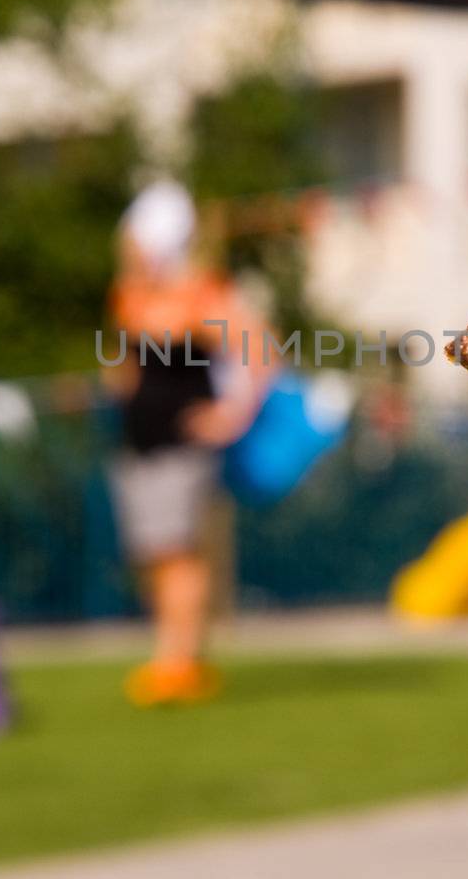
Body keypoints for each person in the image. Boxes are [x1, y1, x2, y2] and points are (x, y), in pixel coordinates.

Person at [105, 180, 270, 707]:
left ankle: (179, 662)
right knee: (155, 554)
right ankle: (172, 655)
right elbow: (127, 366)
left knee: (178, 553)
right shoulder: (130, 295)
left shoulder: (201, 293)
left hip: (182, 444)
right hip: (138, 443)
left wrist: (231, 414)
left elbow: (260, 352)